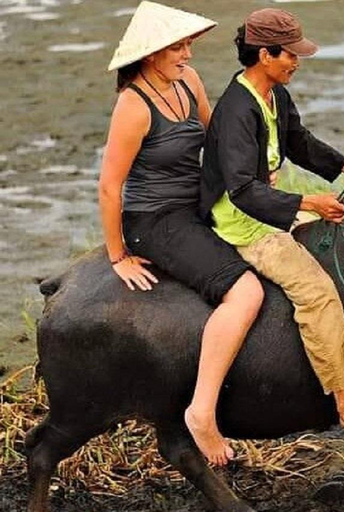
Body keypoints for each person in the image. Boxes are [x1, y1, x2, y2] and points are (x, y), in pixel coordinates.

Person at [200, 8, 344, 434]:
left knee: (341, 227)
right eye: (291, 55)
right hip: (244, 223)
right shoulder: (236, 112)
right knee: (317, 292)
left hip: (268, 206)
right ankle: (343, 399)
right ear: (264, 55)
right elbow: (243, 191)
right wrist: (308, 201)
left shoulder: (274, 95)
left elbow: (299, 142)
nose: (297, 62)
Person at [100, 1, 263, 466]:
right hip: (157, 220)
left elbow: (215, 140)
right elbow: (111, 187)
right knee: (245, 293)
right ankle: (202, 413)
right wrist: (118, 256)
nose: (188, 55)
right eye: (179, 46)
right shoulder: (134, 104)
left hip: (198, 202)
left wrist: (249, 175)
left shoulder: (188, 82)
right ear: (152, 53)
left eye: (189, 44)